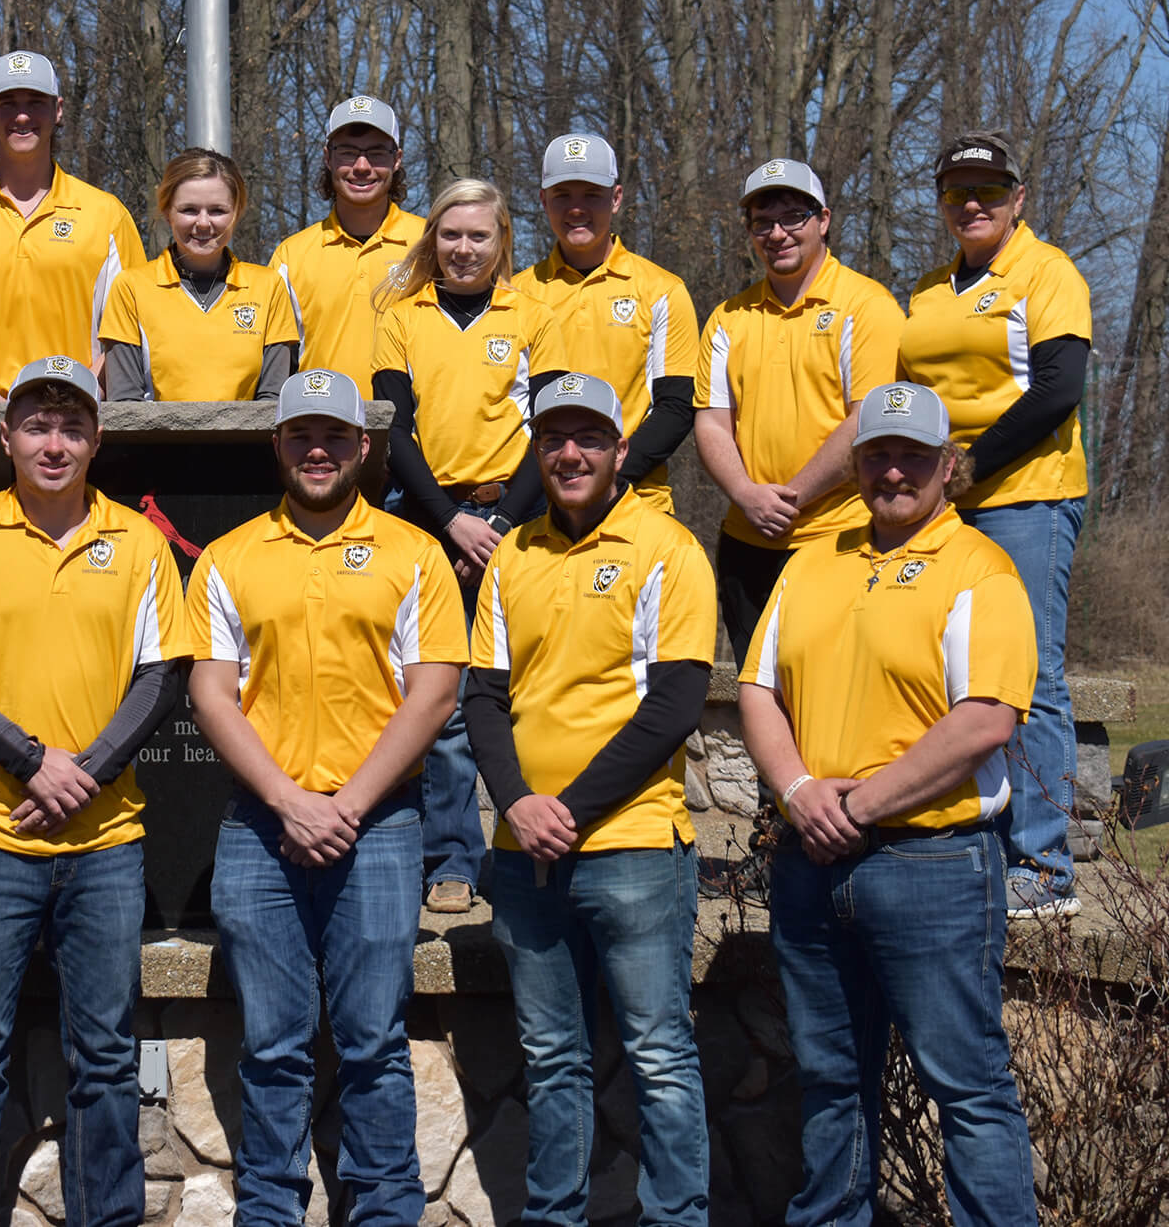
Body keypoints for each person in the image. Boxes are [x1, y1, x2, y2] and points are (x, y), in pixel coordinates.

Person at [740, 381, 1039, 1226]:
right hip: (810, 859)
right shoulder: (811, 561)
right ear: (857, 463)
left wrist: (859, 803)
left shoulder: (981, 567)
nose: (895, 470)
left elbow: (985, 717)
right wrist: (800, 793)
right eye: (878, 453)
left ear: (950, 467)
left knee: (968, 1086)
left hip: (930, 864)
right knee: (832, 1081)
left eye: (915, 455)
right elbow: (758, 688)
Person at [0, 356, 196, 1225]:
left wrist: (86, 772)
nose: (55, 441)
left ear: (97, 438)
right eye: (36, 423)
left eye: (72, 425)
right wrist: (34, 761)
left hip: (107, 846)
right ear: (5, 437)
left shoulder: (141, 542)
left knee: (105, 1056)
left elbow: (162, 674)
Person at [188, 369, 466, 1225]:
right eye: (302, 436)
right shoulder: (229, 557)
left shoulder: (413, 554)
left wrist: (346, 803)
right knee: (271, 1045)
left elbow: (435, 691)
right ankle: (269, 1208)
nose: (318, 451)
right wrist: (288, 800)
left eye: (336, 437)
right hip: (259, 830)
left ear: (365, 449)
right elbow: (210, 691)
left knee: (373, 1040)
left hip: (379, 826)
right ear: (278, 446)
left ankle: (384, 1208)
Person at [463, 371, 714, 1227]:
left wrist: (563, 807)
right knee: (550, 1055)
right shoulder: (513, 557)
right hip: (525, 852)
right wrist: (517, 804)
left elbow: (675, 702)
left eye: (590, 439)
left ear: (619, 449)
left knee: (658, 1053)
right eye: (554, 439)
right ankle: (554, 1214)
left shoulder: (667, 548)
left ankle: (676, 1217)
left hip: (635, 846)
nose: (569, 455)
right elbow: (483, 698)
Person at [901, 131, 1092, 918]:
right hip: (946, 506)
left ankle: (1045, 868)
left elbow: (1058, 389)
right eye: (955, 192)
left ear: (1019, 198)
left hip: (1027, 496)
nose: (971, 203)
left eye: (987, 189)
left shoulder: (1047, 273)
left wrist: (974, 461)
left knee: (1030, 676)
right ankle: (980, 842)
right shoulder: (926, 290)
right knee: (959, 677)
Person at [370, 177, 559, 915]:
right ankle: (449, 855)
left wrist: (498, 524)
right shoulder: (401, 316)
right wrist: (448, 521)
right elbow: (393, 428)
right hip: (423, 515)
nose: (463, 248)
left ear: (501, 241)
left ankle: (531, 843)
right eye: (450, 235)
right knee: (435, 697)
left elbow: (551, 432)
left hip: (512, 517)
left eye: (479, 235)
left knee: (518, 688)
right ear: (431, 241)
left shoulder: (535, 314)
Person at [693, 157, 903, 663]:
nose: (778, 234)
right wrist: (746, 496)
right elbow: (711, 421)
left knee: (836, 691)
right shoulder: (728, 317)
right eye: (762, 222)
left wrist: (791, 499)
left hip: (841, 536)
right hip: (748, 541)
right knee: (758, 691)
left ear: (823, 220)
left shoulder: (866, 306)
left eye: (793, 217)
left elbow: (866, 421)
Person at [0, 51, 144, 406]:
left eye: (35, 102)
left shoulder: (106, 214)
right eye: (8, 103)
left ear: (58, 110)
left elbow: (130, 331)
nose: (21, 115)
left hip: (78, 423)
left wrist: (71, 401)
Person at [517, 132, 698, 514]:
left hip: (636, 503)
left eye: (592, 195)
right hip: (536, 508)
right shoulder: (515, 294)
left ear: (616, 198)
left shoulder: (663, 290)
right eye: (563, 195)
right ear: (543, 200)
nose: (577, 209)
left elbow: (676, 408)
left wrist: (606, 479)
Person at [101, 147, 297, 401]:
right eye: (189, 210)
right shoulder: (131, 288)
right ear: (166, 211)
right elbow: (126, 402)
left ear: (236, 213)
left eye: (217, 211)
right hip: (152, 441)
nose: (203, 223)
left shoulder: (269, 287)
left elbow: (272, 401)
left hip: (248, 442)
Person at [269, 95, 425, 387]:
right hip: (323, 427)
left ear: (397, 159)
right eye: (349, 153)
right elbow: (275, 371)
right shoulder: (291, 255)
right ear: (328, 158)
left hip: (412, 429)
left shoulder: (430, 246)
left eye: (377, 153)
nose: (362, 166)